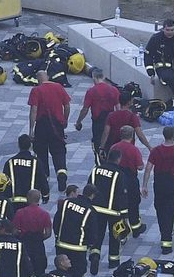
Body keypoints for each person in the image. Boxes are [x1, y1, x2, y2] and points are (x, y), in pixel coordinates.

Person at [27, 70, 71, 201]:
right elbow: (67, 105)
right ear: (47, 76)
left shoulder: (36, 90)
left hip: (42, 126)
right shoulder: (58, 87)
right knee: (59, 152)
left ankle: (44, 178)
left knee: (41, 153)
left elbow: (34, 110)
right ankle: (61, 174)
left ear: (38, 79)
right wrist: (65, 120)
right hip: (56, 126)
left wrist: (31, 129)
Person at [76, 75, 122, 161]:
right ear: (103, 78)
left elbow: (85, 109)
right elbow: (118, 108)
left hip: (98, 123)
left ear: (94, 78)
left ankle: (100, 162)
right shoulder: (113, 90)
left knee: (98, 145)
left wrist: (78, 122)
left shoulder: (91, 91)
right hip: (111, 121)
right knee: (110, 143)